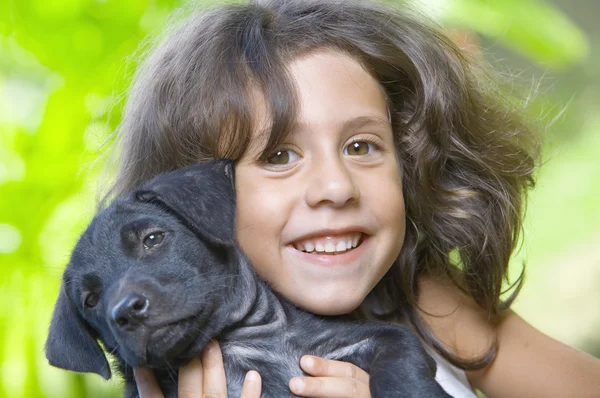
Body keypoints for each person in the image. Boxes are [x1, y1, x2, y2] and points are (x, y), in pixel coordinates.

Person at [99, 0, 600, 397]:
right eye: (278, 156)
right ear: (189, 200)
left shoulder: (421, 299)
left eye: (361, 146)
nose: (337, 187)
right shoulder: (183, 376)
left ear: (408, 156)